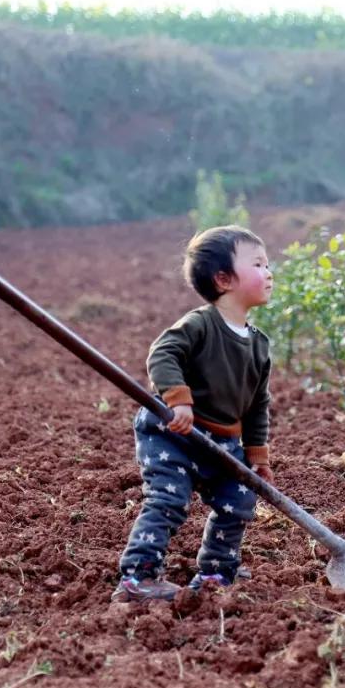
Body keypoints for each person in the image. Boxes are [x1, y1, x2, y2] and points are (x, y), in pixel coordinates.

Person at [112, 225, 275, 603]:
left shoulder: (259, 344)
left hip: (222, 441)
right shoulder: (201, 324)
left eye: (268, 264)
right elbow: (162, 354)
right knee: (169, 501)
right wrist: (178, 400)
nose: (268, 272)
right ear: (223, 279)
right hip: (173, 433)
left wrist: (256, 455)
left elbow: (257, 404)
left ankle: (216, 573)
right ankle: (138, 578)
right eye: (258, 264)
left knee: (239, 501)